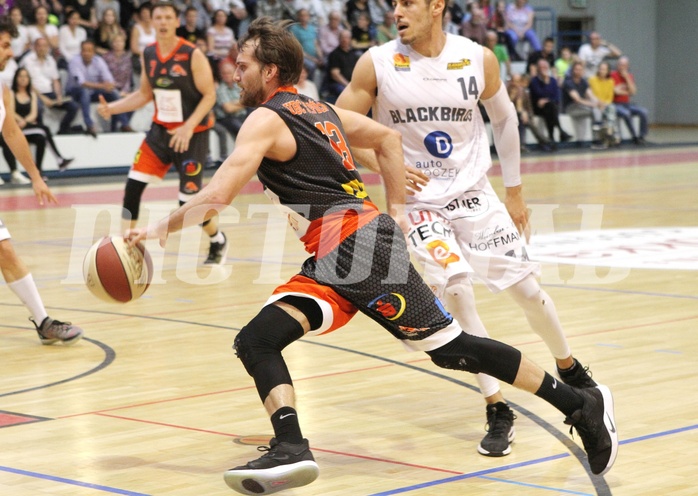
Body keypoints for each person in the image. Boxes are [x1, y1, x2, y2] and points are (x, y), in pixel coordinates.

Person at [127, 18, 617, 495]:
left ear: (270, 71)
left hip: (357, 246)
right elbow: (385, 138)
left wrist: (155, 231)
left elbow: (217, 195)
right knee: (257, 340)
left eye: (243, 65)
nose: (235, 73)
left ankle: (578, 405)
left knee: (451, 349)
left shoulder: (267, 117)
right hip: (331, 256)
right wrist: (397, 209)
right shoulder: (319, 109)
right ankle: (292, 446)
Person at [336, 0, 598, 458]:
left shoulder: (476, 56)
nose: (397, 10)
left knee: (528, 291)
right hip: (418, 203)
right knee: (457, 290)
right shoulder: (376, 62)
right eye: (394, 4)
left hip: (474, 193)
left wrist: (514, 192)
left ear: (436, 6)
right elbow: (334, 126)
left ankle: (572, 369)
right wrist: (379, 163)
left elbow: (505, 118)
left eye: (408, 2)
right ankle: (497, 406)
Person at [97, 0, 226, 265]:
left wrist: (188, 127)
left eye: (168, 17)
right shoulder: (149, 53)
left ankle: (217, 239)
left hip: (192, 136)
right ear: (151, 22)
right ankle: (126, 250)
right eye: (159, 18)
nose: (164, 22)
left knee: (187, 205)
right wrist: (112, 107)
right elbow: (144, 94)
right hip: (160, 133)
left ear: (176, 22)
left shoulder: (192, 54)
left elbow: (210, 95)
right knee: (132, 188)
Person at [0, 17, 84, 342]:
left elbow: (11, 132)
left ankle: (44, 322)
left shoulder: (3, 89)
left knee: (5, 251)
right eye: (5, 45)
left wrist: (36, 176)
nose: (10, 52)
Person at [4, 67, 74, 172]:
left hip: (27, 126)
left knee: (41, 138)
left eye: (25, 76)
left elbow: (33, 114)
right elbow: (11, 112)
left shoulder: (32, 95)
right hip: (16, 128)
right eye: (20, 76)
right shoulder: (12, 94)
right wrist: (21, 121)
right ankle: (59, 159)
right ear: (16, 78)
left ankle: (38, 171)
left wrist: (25, 121)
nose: (23, 79)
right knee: (44, 129)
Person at [66, 39, 129, 136]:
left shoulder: (98, 61)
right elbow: (82, 83)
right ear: (80, 51)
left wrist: (109, 86)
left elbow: (109, 79)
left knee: (113, 93)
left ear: (94, 52)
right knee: (85, 91)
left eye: (89, 50)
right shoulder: (75, 61)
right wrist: (103, 85)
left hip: (93, 92)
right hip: (75, 92)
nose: (86, 53)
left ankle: (123, 124)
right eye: (84, 50)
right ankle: (89, 125)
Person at [21, 37, 80, 136]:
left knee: (73, 106)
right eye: (39, 46)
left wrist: (58, 95)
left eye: (45, 46)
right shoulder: (28, 60)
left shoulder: (50, 60)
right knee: (38, 107)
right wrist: (43, 98)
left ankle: (63, 129)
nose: (42, 48)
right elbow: (27, 83)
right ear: (35, 47)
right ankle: (41, 131)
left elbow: (55, 80)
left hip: (49, 92)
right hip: (33, 93)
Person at [529, 58, 572, 147]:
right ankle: (560, 132)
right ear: (537, 68)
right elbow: (538, 94)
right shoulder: (534, 81)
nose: (543, 68)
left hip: (549, 106)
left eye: (545, 66)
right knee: (550, 108)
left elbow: (556, 96)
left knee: (550, 107)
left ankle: (552, 138)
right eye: (541, 67)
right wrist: (545, 81)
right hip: (537, 108)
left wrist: (546, 100)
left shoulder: (552, 80)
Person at [212, 61, 247, 160]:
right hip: (227, 118)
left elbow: (250, 101)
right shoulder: (221, 89)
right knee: (242, 130)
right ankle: (242, 156)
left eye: (229, 73)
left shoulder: (239, 86)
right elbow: (228, 109)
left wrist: (236, 103)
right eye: (224, 73)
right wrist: (242, 103)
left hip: (243, 115)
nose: (226, 75)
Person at [611, 56, 649, 145]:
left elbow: (633, 92)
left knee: (644, 112)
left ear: (627, 66)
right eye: (620, 65)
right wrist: (627, 91)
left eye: (624, 65)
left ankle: (642, 135)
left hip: (627, 103)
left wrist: (627, 78)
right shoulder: (612, 75)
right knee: (626, 113)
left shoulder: (629, 76)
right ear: (617, 65)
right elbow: (615, 92)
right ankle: (634, 136)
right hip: (616, 104)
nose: (622, 67)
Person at [507, 72, 548, 151]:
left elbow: (529, 107)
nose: (517, 84)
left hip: (521, 115)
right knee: (522, 119)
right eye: (515, 81)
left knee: (523, 120)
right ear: (511, 82)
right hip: (510, 115)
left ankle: (523, 145)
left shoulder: (523, 92)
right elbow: (506, 106)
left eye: (519, 81)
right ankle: (544, 141)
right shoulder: (506, 91)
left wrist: (529, 116)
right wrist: (522, 112)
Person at [588, 61, 619, 147]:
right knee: (600, 112)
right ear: (598, 69)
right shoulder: (592, 80)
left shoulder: (610, 81)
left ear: (608, 71)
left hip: (605, 105)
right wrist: (599, 103)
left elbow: (610, 98)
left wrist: (604, 104)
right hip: (595, 104)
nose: (602, 71)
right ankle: (613, 135)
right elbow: (591, 94)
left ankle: (609, 131)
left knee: (611, 108)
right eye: (601, 69)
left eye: (604, 69)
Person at [324, 29, 358, 101]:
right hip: (337, 84)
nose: (344, 39)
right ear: (339, 39)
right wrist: (348, 85)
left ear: (350, 39)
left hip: (350, 83)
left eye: (346, 37)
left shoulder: (353, 54)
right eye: (342, 37)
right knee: (347, 94)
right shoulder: (334, 54)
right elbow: (335, 75)